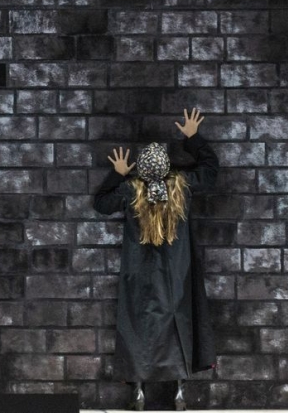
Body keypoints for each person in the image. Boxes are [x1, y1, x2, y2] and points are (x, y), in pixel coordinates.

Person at [93, 108, 218, 412]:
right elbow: (210, 170)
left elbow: (101, 203)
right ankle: (179, 390)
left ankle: (138, 390)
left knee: (138, 328)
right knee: (179, 327)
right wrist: (193, 139)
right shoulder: (181, 186)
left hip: (140, 275)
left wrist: (118, 173)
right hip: (177, 274)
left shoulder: (131, 190)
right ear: (167, 166)